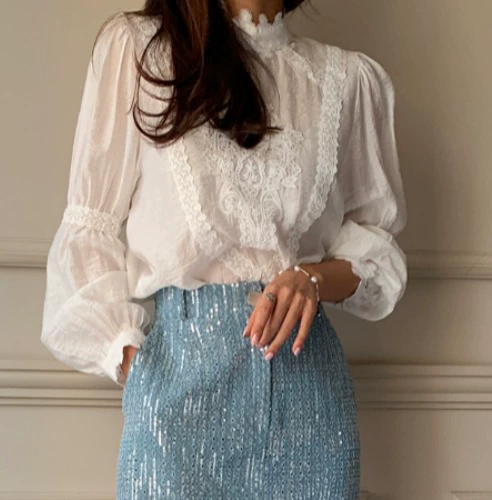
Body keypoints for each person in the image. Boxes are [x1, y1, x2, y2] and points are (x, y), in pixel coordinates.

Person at [41, 0, 408, 498]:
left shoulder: (344, 79)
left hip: (309, 402)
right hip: (176, 397)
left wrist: (312, 279)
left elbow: (376, 245)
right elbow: (89, 229)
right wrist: (135, 367)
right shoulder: (141, 52)